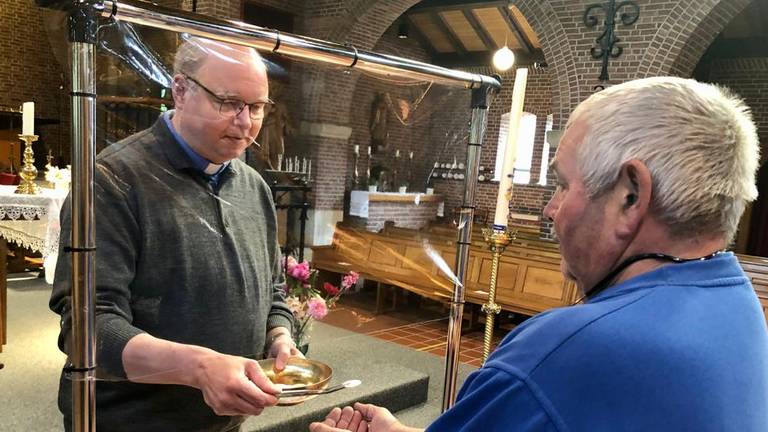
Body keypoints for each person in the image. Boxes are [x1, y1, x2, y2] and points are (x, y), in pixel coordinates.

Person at [310, 77, 768, 431]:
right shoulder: (737, 303)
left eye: (564, 184)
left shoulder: (572, 348)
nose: (551, 209)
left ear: (630, 197)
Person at [50, 37, 302, 432]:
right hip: (133, 420)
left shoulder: (254, 186)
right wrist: (200, 368)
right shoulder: (112, 180)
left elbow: (271, 291)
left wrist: (279, 338)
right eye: (228, 102)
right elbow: (87, 328)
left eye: (256, 107)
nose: (245, 122)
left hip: (220, 419)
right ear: (180, 91)